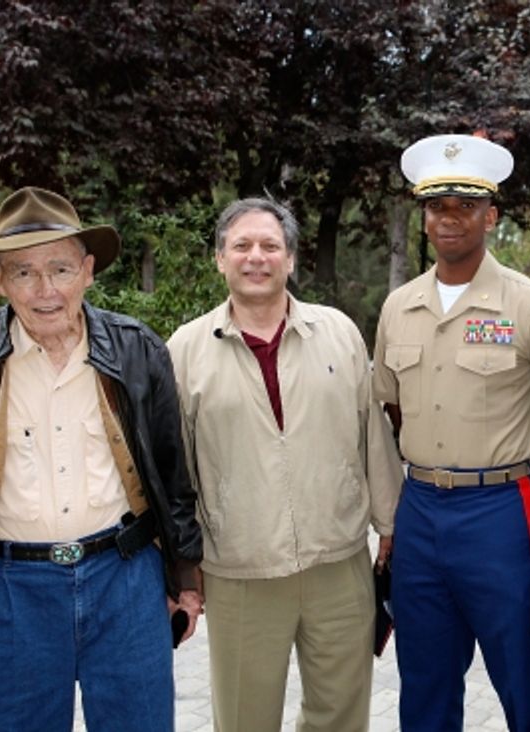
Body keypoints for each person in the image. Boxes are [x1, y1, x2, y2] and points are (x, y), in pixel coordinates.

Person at [0, 186, 203, 731]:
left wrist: (186, 578)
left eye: (60, 269)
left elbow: (172, 473)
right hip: (3, 591)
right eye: (23, 272)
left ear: (87, 270)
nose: (45, 291)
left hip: (125, 581)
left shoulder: (137, 349)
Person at [167, 196, 402, 731]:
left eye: (270, 246)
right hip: (240, 568)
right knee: (245, 719)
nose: (257, 257)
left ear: (290, 259)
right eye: (242, 246)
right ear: (220, 259)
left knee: (341, 714)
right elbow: (175, 466)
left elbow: (374, 435)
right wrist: (182, 566)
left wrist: (389, 525)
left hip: (338, 561)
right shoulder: (185, 350)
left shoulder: (339, 333)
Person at [372, 133, 530, 731]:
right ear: (425, 217)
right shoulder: (398, 307)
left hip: (503, 514)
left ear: (492, 215)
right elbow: (387, 410)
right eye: (438, 206)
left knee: (528, 682)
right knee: (426, 688)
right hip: (421, 512)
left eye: (466, 205)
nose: (450, 217)